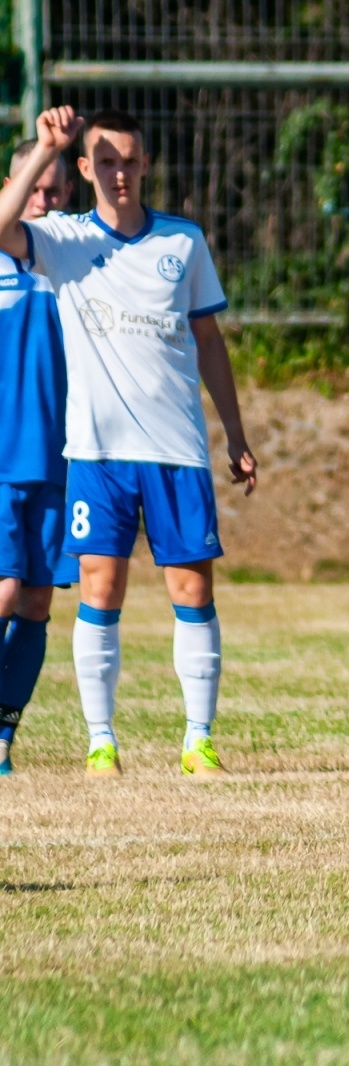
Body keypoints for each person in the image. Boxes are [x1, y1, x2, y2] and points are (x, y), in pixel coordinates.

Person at [0, 105, 257, 778]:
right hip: (96, 455)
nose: (119, 173)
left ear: (146, 165)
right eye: (104, 162)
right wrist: (41, 149)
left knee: (192, 591)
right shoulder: (64, 240)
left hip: (177, 453)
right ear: (84, 169)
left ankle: (198, 739)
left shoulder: (182, 243)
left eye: (129, 161)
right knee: (98, 587)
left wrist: (236, 434)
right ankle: (100, 740)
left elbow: (209, 341)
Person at [0, 139, 76, 775]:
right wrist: (45, 150)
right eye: (36, 190)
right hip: (1, 457)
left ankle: (2, 734)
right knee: (2, 590)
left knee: (37, 601)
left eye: (56, 191)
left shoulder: (71, 261)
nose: (46, 202)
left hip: (57, 456)